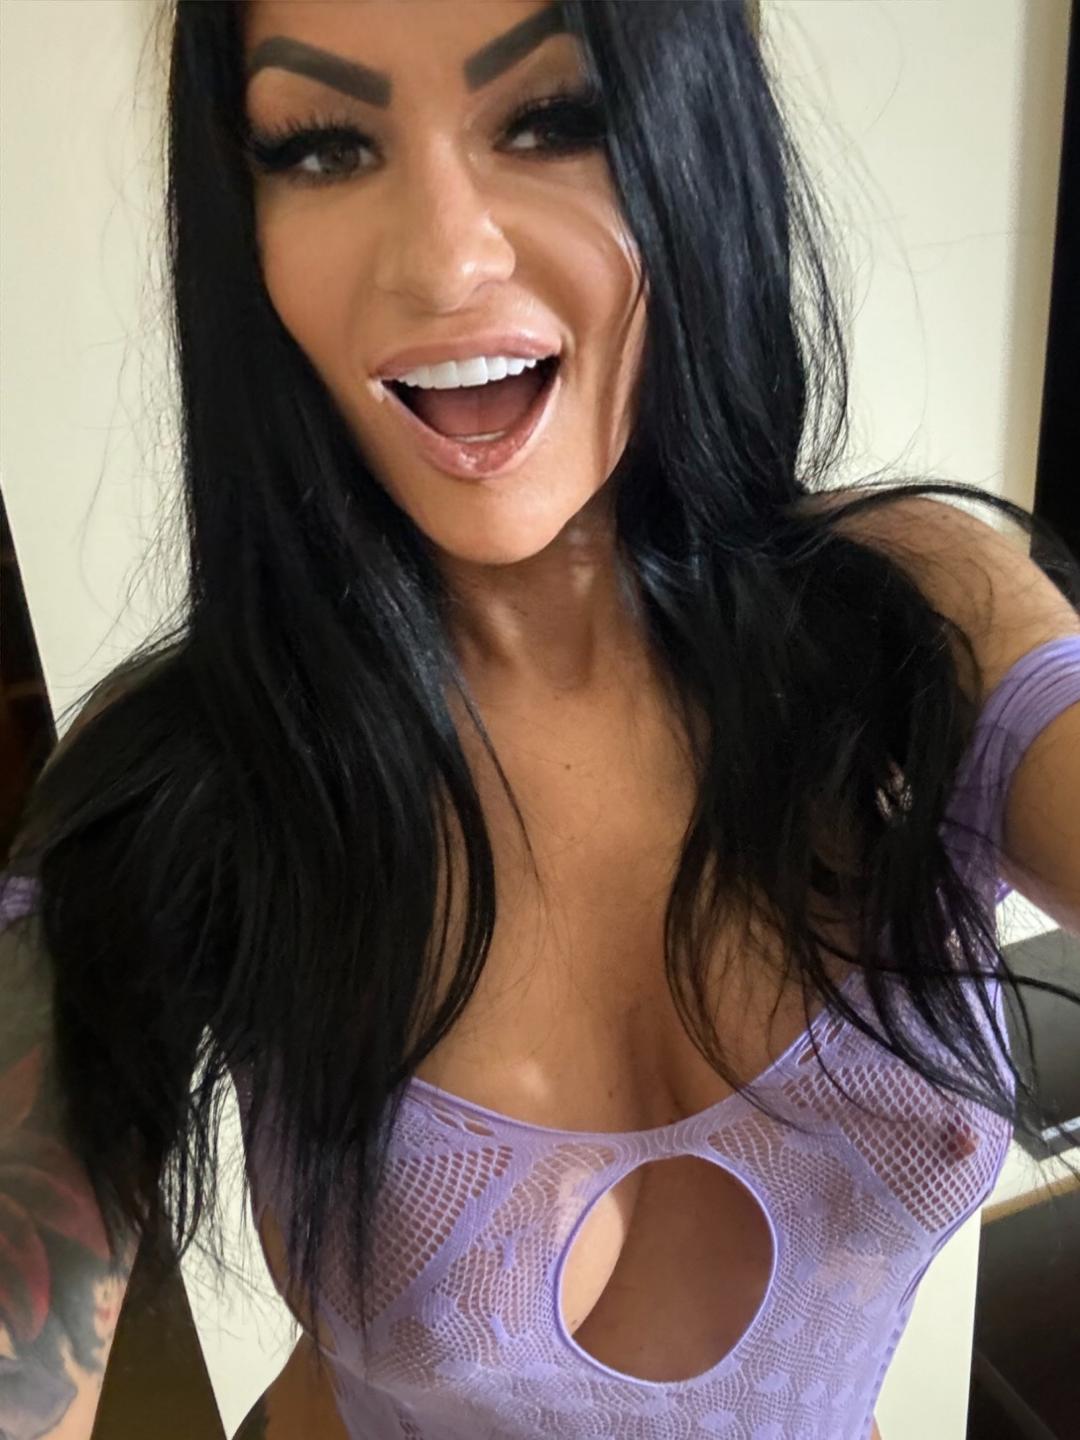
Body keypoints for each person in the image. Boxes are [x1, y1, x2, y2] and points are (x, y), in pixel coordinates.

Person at [3, 3, 1080, 1438]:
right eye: (321, 146)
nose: (444, 258)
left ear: (694, 144)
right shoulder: (187, 769)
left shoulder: (914, 617)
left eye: (556, 119)